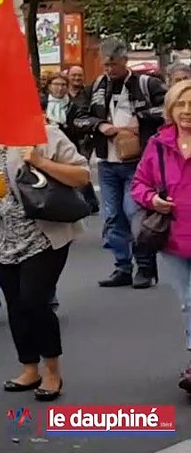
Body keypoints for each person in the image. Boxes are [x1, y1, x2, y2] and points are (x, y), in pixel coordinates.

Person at [0, 118, 89, 403]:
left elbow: (81, 175)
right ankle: (29, 367)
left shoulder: (42, 132)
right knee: (17, 305)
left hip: (42, 237)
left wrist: (40, 161)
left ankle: (52, 371)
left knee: (35, 302)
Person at [72, 38, 167, 288]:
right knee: (112, 215)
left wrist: (141, 118)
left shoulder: (146, 83)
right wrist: (100, 125)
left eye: (113, 64)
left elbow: (168, 108)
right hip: (107, 161)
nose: (108, 69)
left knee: (134, 213)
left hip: (139, 162)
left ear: (125, 61)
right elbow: (78, 117)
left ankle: (145, 267)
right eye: (105, 65)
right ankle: (122, 266)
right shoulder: (96, 87)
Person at [131, 79, 191, 392]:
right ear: (170, 109)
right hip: (175, 239)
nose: (186, 111)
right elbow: (139, 183)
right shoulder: (158, 143)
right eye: (180, 105)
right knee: (188, 302)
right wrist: (153, 200)